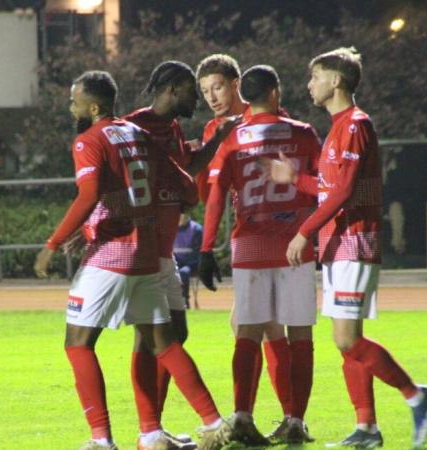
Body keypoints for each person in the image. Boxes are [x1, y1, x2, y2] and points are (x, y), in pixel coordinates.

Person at [33, 70, 234, 450]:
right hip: (149, 256)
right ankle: (212, 423)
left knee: (77, 342)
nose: (71, 105)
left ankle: (101, 440)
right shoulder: (138, 133)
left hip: (111, 255)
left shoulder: (88, 140)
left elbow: (89, 193)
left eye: (75, 99)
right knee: (164, 343)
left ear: (93, 106)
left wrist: (53, 243)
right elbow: (189, 190)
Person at [262, 47, 427, 449]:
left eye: (315, 76)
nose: (309, 84)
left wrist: (303, 231)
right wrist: (296, 178)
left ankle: (416, 395)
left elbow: (343, 192)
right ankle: (367, 429)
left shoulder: (355, 124)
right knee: (346, 341)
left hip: (355, 241)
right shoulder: (338, 128)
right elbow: (328, 187)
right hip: (338, 244)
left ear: (335, 80)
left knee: (346, 339)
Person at [199, 65, 320, 445]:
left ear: (243, 94)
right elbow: (325, 187)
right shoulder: (302, 133)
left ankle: (242, 417)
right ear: (276, 91)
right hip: (295, 245)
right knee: (299, 335)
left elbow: (216, 195)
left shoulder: (231, 137)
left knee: (247, 333)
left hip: (249, 246)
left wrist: (205, 248)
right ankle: (295, 421)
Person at [122, 60, 238, 450]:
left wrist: (217, 139)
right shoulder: (133, 126)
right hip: (139, 250)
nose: (198, 98)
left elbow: (185, 167)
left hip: (163, 251)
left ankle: (152, 431)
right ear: (171, 88)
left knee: (171, 335)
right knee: (155, 338)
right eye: (191, 89)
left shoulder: (171, 128)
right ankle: (165, 429)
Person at [173, 213, 203, 308]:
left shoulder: (196, 229)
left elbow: (197, 253)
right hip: (173, 263)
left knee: (183, 272)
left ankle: (184, 300)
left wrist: (186, 263)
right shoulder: (170, 227)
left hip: (191, 264)